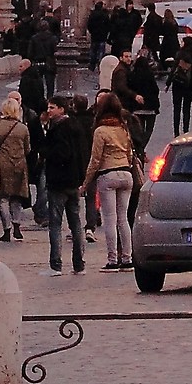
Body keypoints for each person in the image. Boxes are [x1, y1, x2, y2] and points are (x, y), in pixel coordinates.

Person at [84, 90, 138, 270]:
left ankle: (113, 259)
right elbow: (130, 153)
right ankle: (128, 258)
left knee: (110, 219)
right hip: (126, 174)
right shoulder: (123, 128)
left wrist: (85, 183)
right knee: (123, 218)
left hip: (108, 174)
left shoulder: (101, 130)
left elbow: (95, 159)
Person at [40, 100, 86, 275]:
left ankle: (56, 264)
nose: (49, 110)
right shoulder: (76, 127)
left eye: (52, 107)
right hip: (74, 181)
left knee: (56, 224)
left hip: (59, 182)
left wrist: (45, 152)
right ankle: (79, 264)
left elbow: (61, 154)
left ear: (61, 109)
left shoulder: (59, 129)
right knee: (75, 223)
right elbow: (83, 153)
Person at [0, 92, 31, 242]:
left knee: (3, 198)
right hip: (19, 163)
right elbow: (28, 149)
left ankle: (6, 229)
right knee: (16, 197)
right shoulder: (22, 128)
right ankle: (17, 226)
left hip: (2, 164)